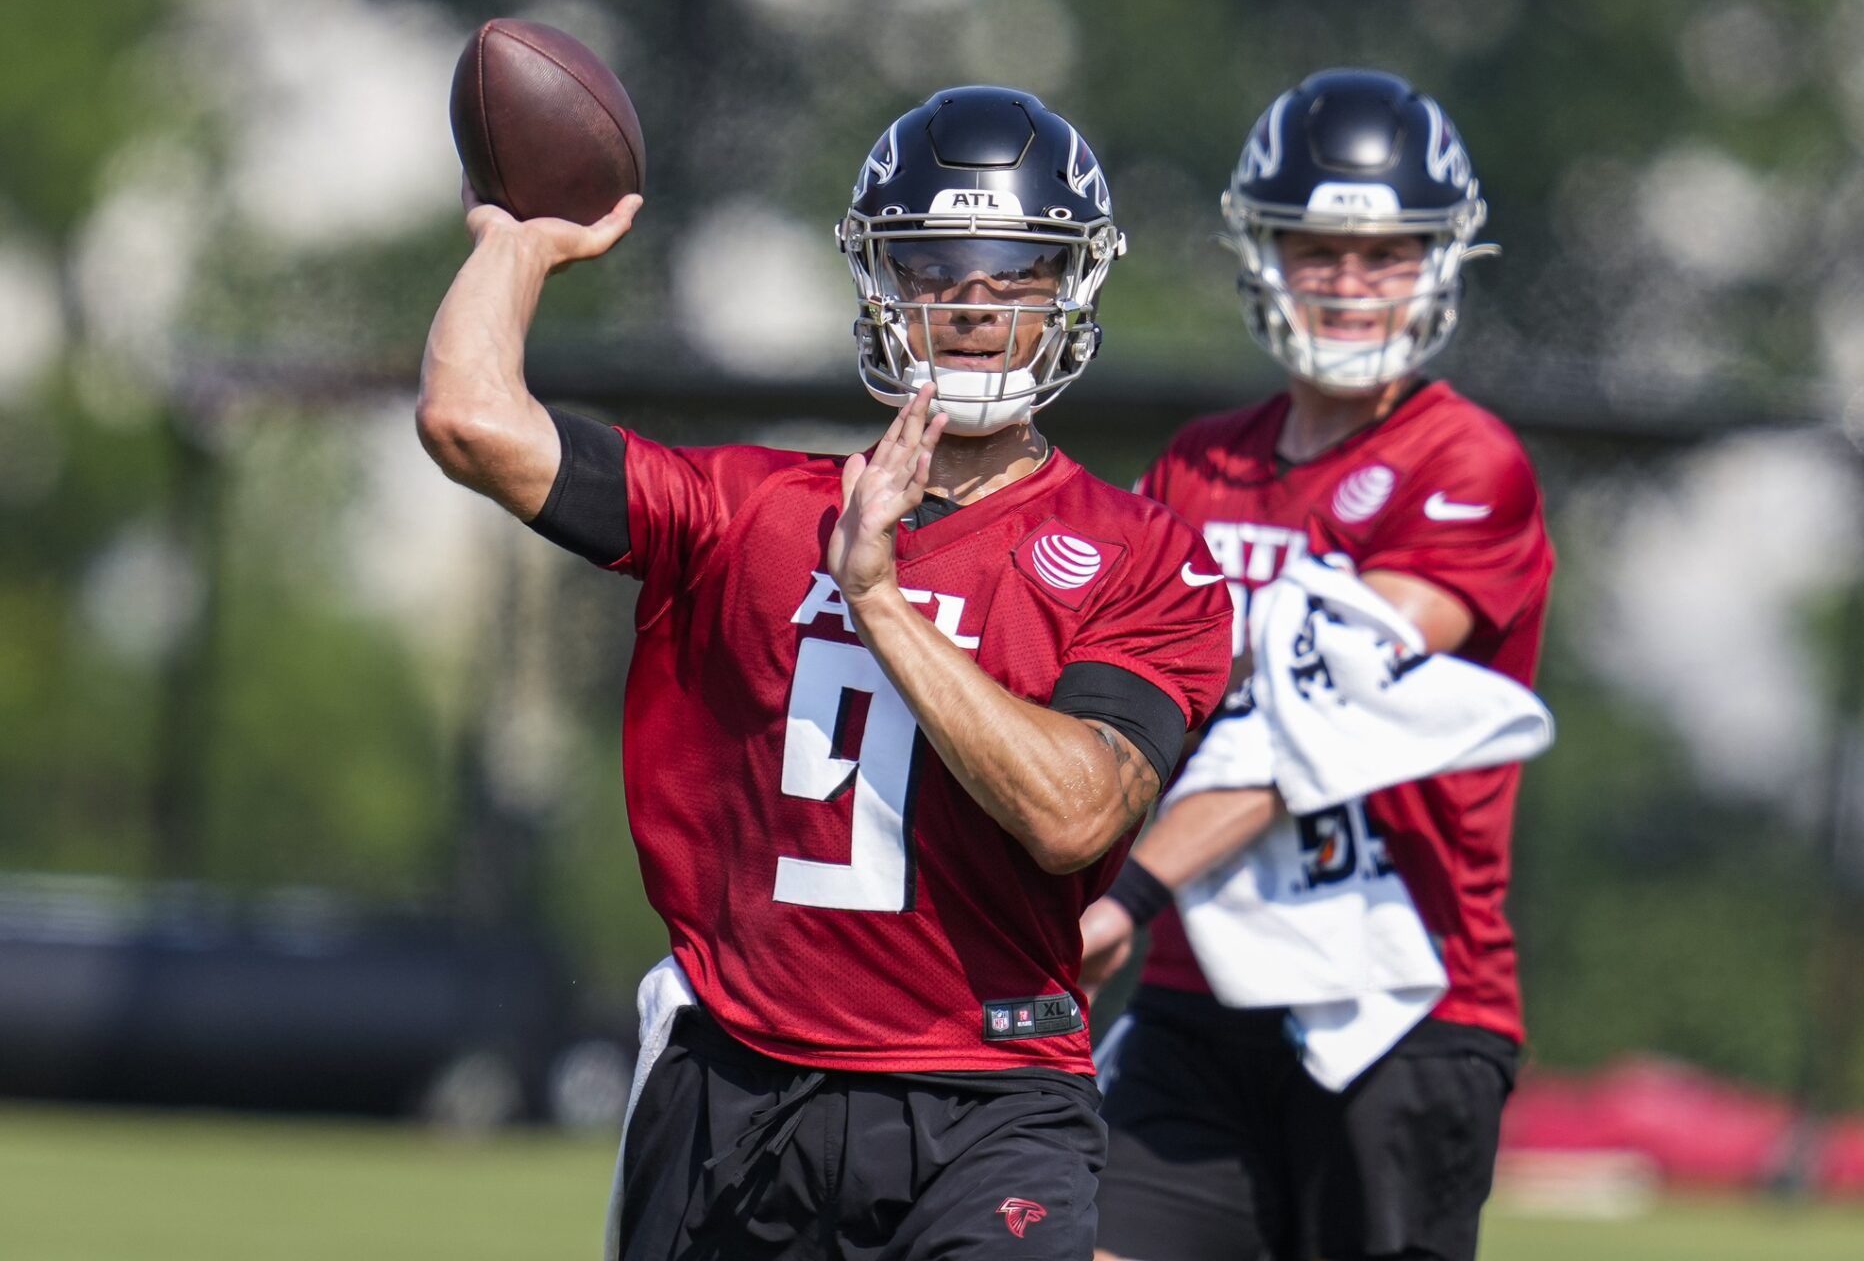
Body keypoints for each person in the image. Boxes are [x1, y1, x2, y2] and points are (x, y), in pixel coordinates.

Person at [416, 85, 1233, 1261]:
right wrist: (517, 241)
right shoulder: (746, 508)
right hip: (739, 1081)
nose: (972, 305)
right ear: (883, 285)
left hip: (989, 1088)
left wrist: (881, 598)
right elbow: (470, 420)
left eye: (1015, 272)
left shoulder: (1146, 553)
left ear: (1071, 289)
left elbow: (1076, 811)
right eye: (935, 268)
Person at [1082, 69, 1555, 1261]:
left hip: (1400, 998)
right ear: (1265, 253)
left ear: (1439, 261)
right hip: (1201, 990)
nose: (1349, 285)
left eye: (1386, 254)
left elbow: (1317, 719)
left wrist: (1124, 891)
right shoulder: (1197, 465)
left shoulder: (1466, 460)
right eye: (1319, 250)